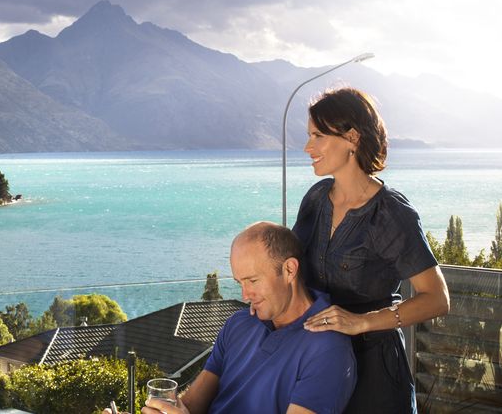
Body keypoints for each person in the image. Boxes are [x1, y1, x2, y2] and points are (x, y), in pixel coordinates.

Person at [292, 87, 450, 413]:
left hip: (374, 372)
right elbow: (292, 269)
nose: (308, 147)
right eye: (309, 136)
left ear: (351, 138)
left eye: (318, 136)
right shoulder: (315, 199)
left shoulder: (391, 213)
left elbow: (437, 298)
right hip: (316, 362)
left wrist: (361, 322)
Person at [129, 221, 356, 414]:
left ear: (289, 270)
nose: (245, 295)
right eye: (240, 283)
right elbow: (190, 406)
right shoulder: (238, 324)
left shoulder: (329, 349)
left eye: (253, 281)